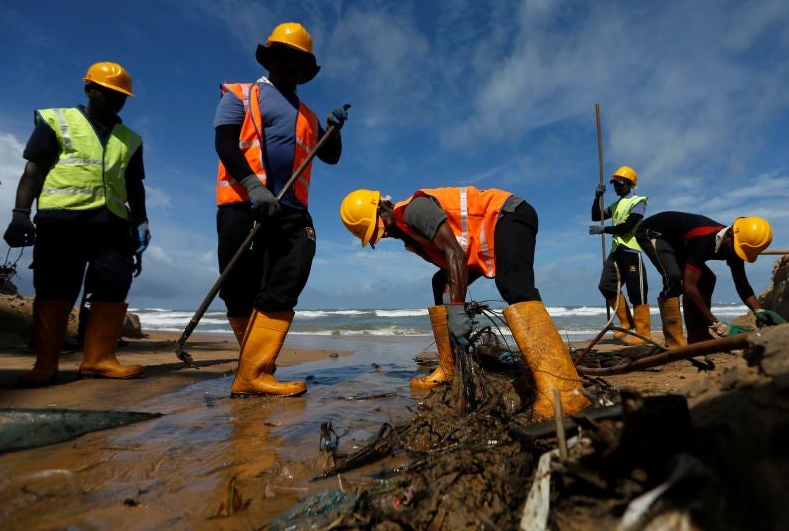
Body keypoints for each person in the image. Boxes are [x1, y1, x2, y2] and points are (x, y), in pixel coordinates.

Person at [339, 187, 590, 420]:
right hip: (490, 230)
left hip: (508, 214)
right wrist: (450, 303)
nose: (384, 235)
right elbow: (449, 269)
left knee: (513, 285)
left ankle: (566, 392)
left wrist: (457, 309)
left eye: (379, 227)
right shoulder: (407, 234)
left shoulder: (414, 211)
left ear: (382, 209)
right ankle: (450, 367)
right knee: (440, 282)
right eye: (375, 236)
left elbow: (455, 253)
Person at [214, 22, 348, 397]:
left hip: (291, 210)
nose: (291, 67)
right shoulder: (241, 95)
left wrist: (333, 129)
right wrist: (254, 186)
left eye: (300, 63)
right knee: (239, 285)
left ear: (307, 72)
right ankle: (253, 371)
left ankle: (254, 371)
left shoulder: (309, 116)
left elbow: (331, 157)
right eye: (284, 58)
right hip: (244, 203)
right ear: (270, 58)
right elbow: (225, 144)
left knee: (287, 278)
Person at [3, 62, 150, 386]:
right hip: (61, 220)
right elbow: (34, 171)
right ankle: (45, 365)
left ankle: (99, 360)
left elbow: (135, 185)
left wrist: (142, 221)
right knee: (54, 288)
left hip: (112, 224)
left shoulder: (130, 139)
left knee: (113, 286)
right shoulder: (57, 121)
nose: (115, 99)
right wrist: (20, 213)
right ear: (89, 89)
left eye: (121, 96)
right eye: (108, 92)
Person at [636, 212, 784, 348]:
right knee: (673, 276)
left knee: (707, 280)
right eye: (739, 251)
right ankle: (674, 343)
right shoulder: (704, 240)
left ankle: (698, 336)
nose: (739, 256)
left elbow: (742, 284)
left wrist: (758, 310)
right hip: (653, 232)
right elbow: (689, 286)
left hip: (679, 242)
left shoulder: (735, 246)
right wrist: (716, 324)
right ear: (729, 235)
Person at [588, 166, 650, 345]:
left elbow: (628, 226)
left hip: (631, 251)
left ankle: (644, 333)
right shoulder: (615, 205)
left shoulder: (639, 201)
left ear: (629, 184)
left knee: (636, 292)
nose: (615, 186)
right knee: (606, 285)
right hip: (616, 252)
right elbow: (595, 216)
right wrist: (597, 196)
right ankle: (625, 323)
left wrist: (605, 229)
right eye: (613, 183)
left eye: (619, 183)